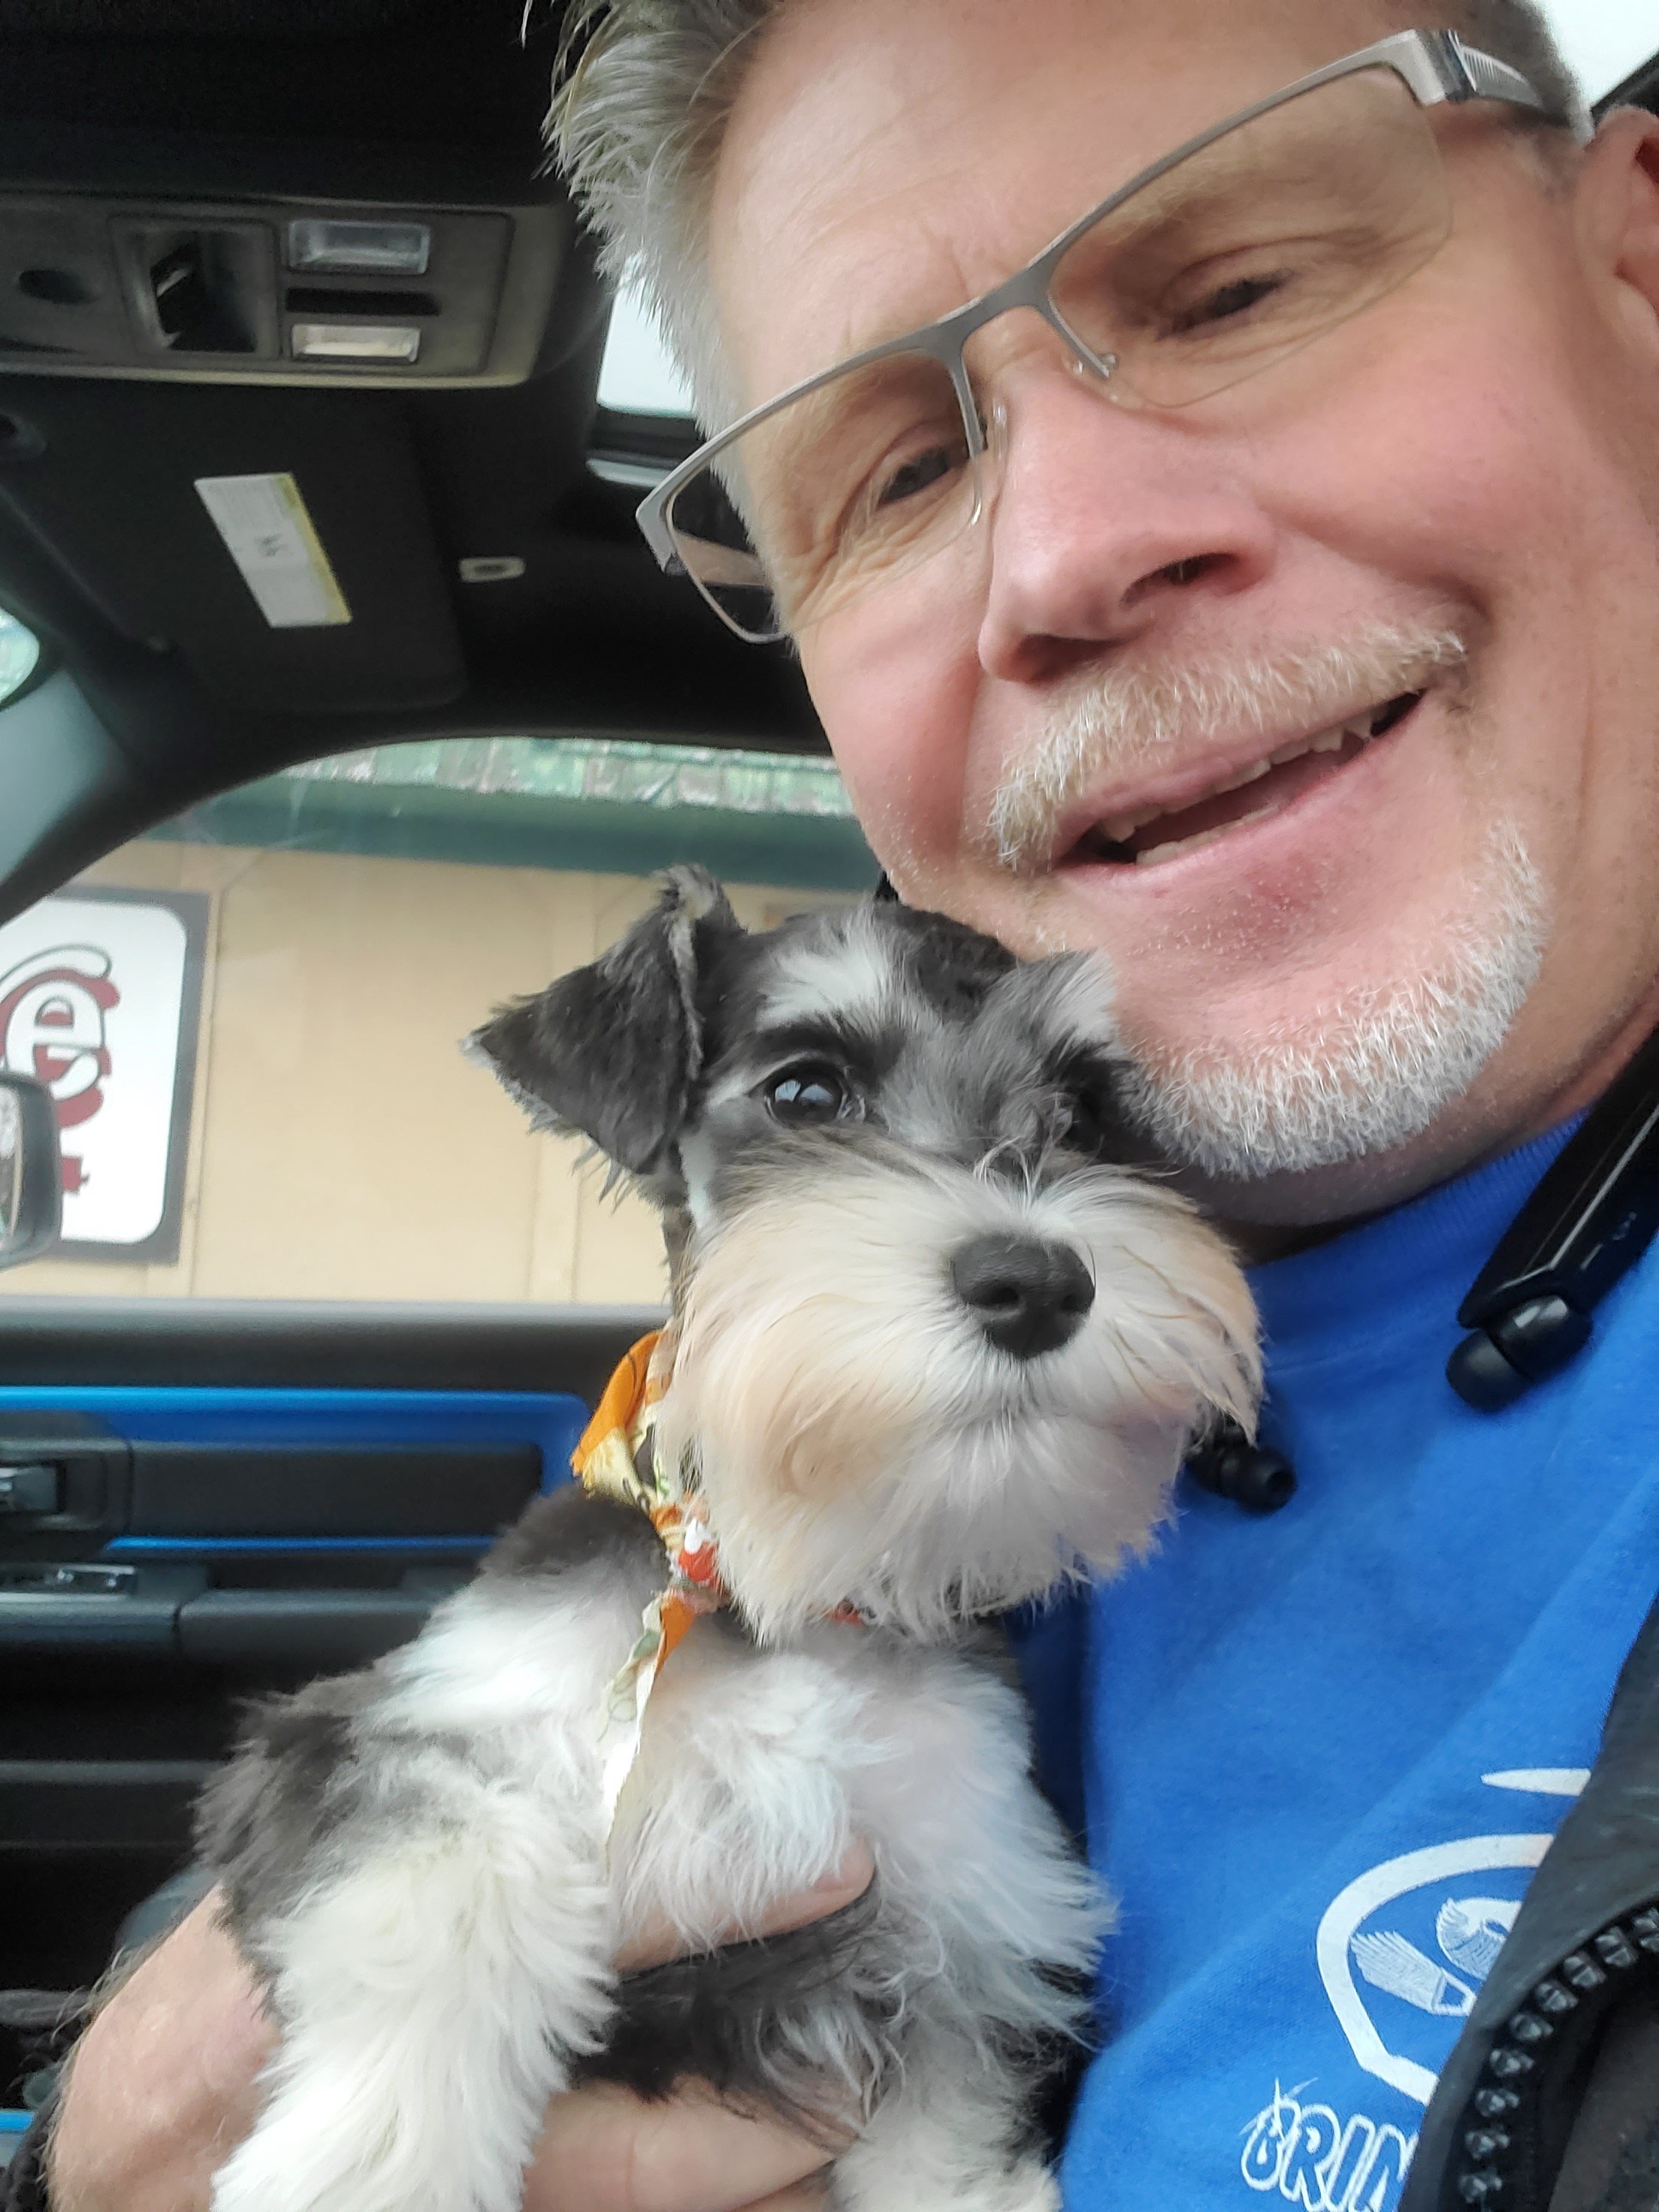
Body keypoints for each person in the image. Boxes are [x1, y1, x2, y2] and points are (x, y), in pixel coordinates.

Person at [28, 1, 1659, 2207]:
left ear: (1637, 264)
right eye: (892, 474)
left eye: (1236, 288)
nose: (1067, 553)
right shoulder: (771, 1489)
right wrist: (111, 2137)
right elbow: (410, 1811)